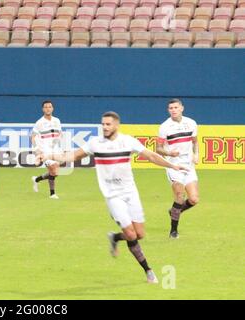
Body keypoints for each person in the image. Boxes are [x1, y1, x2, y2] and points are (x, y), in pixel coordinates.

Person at [40, 111, 189, 283]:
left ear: (116, 125)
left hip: (130, 193)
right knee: (131, 235)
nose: (104, 127)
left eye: (108, 124)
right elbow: (71, 156)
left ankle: (115, 237)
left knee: (140, 234)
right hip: (113, 196)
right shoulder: (95, 143)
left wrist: (173, 166)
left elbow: (151, 156)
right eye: (103, 124)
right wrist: (49, 156)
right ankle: (148, 270)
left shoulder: (128, 141)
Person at [156, 99, 199, 239]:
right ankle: (173, 231)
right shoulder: (165, 127)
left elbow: (195, 141)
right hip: (173, 165)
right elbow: (158, 149)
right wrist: (169, 153)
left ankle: (174, 210)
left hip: (188, 165)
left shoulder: (191, 123)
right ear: (168, 110)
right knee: (180, 196)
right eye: (170, 108)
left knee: (193, 199)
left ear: (182, 108)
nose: (173, 110)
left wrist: (196, 154)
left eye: (176, 107)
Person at [31, 100, 62, 199]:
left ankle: (36, 179)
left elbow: (60, 133)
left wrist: (59, 142)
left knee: (54, 173)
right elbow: (32, 137)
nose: (48, 108)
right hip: (45, 151)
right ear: (43, 109)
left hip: (56, 150)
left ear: (52, 108)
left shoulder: (57, 120)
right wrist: (37, 150)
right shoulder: (39, 122)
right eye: (46, 107)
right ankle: (52, 194)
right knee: (54, 170)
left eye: (50, 107)